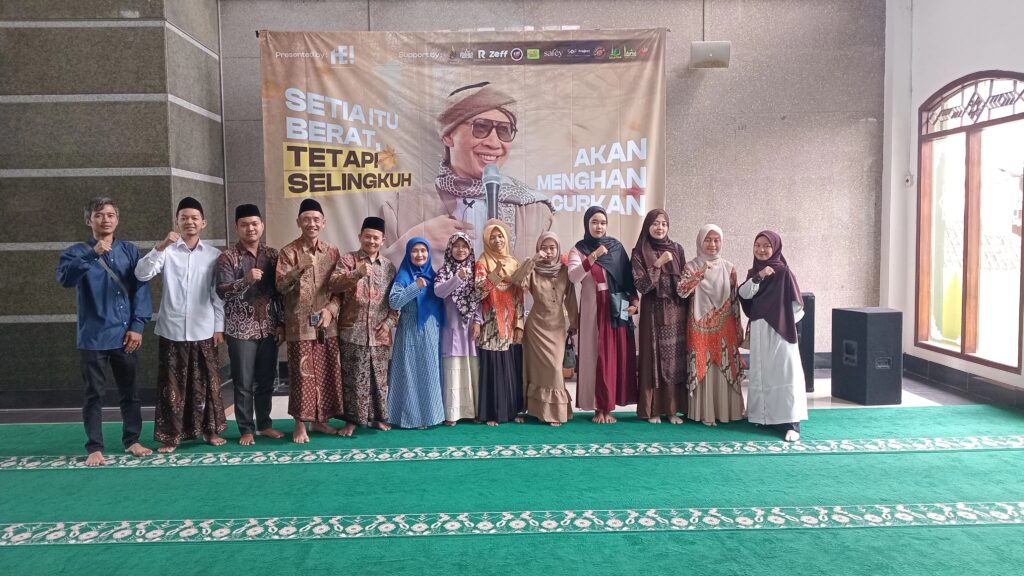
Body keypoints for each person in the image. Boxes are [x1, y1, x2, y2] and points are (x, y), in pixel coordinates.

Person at [380, 81, 554, 264]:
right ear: (448, 136)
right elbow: (374, 276)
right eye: (481, 127)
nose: (494, 143)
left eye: (504, 130)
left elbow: (554, 275)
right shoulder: (401, 208)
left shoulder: (536, 211)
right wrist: (414, 242)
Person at [57, 197, 153, 466]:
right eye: (99, 215)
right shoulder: (75, 252)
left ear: (117, 219)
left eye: (110, 215)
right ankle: (95, 447)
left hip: (126, 334)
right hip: (93, 336)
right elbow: (66, 279)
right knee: (94, 395)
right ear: (89, 220)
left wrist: (138, 326)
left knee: (130, 393)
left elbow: (141, 287)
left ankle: (132, 440)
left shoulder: (129, 250)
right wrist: (93, 254)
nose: (106, 219)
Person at [135, 197, 226, 452]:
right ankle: (171, 435)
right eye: (184, 218)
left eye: (194, 218)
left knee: (206, 384)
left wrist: (219, 326)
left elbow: (217, 295)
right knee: (171, 386)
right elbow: (141, 274)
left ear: (203, 222)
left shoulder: (214, 255)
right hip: (172, 329)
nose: (189, 222)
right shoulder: (167, 252)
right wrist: (161, 246)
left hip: (204, 328)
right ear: (177, 221)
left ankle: (209, 431)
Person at [215, 204, 286, 446]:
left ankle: (265, 424)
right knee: (243, 382)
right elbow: (223, 291)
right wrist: (245, 280)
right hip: (240, 330)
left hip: (268, 327)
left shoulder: (272, 255)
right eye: (244, 224)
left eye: (254, 223)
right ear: (237, 227)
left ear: (262, 225)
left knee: (266, 381)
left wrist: (281, 324)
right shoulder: (228, 257)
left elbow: (279, 293)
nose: (250, 228)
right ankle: (246, 428)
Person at [276, 198, 345, 442]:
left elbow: (339, 289)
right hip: (300, 326)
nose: (311, 224)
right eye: (306, 219)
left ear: (323, 223)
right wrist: (299, 268)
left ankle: (319, 422)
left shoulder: (332, 251)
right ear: (298, 222)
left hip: (326, 325)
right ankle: (300, 424)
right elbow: (280, 287)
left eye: (316, 219)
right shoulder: (288, 252)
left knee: (326, 374)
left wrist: (331, 310)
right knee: (301, 377)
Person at [568, 206, 638, 424]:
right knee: (596, 355)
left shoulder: (616, 248)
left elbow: (627, 278)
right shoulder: (578, 249)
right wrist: (593, 256)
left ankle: (610, 405)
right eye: (595, 222)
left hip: (617, 307)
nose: (599, 226)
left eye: (603, 222)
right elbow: (573, 277)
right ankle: (599, 407)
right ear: (587, 224)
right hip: (593, 308)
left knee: (614, 355)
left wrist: (634, 302)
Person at [331, 217, 399, 436]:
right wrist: (357, 273)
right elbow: (333, 285)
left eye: (376, 238)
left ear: (383, 240)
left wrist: (389, 324)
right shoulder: (348, 260)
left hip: (379, 333)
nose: (371, 241)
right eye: (367, 236)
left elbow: (395, 302)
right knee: (353, 380)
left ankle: (375, 418)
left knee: (378, 380)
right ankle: (352, 421)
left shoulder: (389, 267)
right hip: (353, 331)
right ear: (360, 237)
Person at [738, 230, 807, 442]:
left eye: (766, 245)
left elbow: (797, 306)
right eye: (757, 245)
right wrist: (759, 276)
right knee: (761, 371)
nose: (761, 249)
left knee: (784, 373)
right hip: (760, 328)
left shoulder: (784, 272)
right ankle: (762, 417)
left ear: (775, 247)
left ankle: (791, 423)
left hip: (780, 330)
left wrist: (782, 320)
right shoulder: (754, 272)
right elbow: (743, 294)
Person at [678, 225, 745, 426]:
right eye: (707, 240)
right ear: (700, 241)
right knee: (701, 365)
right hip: (698, 326)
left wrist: (739, 328)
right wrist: (699, 274)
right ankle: (703, 413)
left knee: (726, 364)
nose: (712, 244)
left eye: (716, 240)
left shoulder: (729, 268)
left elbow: (734, 301)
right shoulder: (690, 267)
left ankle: (728, 412)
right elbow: (681, 291)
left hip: (726, 325)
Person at [511, 232, 578, 426]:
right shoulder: (533, 269)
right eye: (544, 248)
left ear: (558, 249)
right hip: (536, 327)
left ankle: (555, 411)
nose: (548, 252)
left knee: (555, 368)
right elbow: (517, 281)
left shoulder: (564, 270)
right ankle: (538, 411)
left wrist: (574, 322)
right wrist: (533, 260)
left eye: (552, 248)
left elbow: (571, 299)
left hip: (556, 326)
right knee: (538, 371)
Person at [631, 209, 688, 424]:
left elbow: (684, 282)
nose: (660, 227)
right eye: (655, 223)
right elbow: (642, 286)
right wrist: (657, 264)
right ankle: (653, 409)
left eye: (664, 223)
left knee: (674, 361)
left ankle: (672, 410)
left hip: (676, 312)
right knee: (653, 360)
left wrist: (693, 281)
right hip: (653, 313)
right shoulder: (639, 251)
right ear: (648, 226)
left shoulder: (677, 249)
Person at [387, 238, 446, 429]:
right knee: (409, 372)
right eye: (415, 250)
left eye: (423, 250)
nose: (419, 254)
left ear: (428, 253)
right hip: (409, 329)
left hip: (430, 330)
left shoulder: (434, 275)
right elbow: (394, 302)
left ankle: (431, 417)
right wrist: (415, 286)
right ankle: (409, 418)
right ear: (408, 253)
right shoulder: (403, 275)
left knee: (429, 372)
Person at [474, 220, 525, 426]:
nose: (497, 240)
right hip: (490, 323)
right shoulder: (482, 262)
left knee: (510, 367)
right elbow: (479, 292)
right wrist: (496, 273)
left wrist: (519, 324)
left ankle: (512, 411)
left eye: (500, 236)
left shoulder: (513, 262)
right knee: (493, 367)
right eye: (492, 237)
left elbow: (519, 296)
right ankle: (491, 413)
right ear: (487, 240)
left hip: (510, 320)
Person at [434, 232, 481, 425]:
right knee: (453, 370)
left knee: (472, 370)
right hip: (451, 328)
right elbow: (439, 292)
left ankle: (473, 412)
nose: (460, 250)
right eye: (456, 246)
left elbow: (479, 299)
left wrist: (478, 321)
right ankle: (452, 414)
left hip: (470, 328)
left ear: (470, 250)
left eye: (464, 246)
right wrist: (457, 278)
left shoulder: (476, 271)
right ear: (450, 249)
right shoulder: (444, 271)